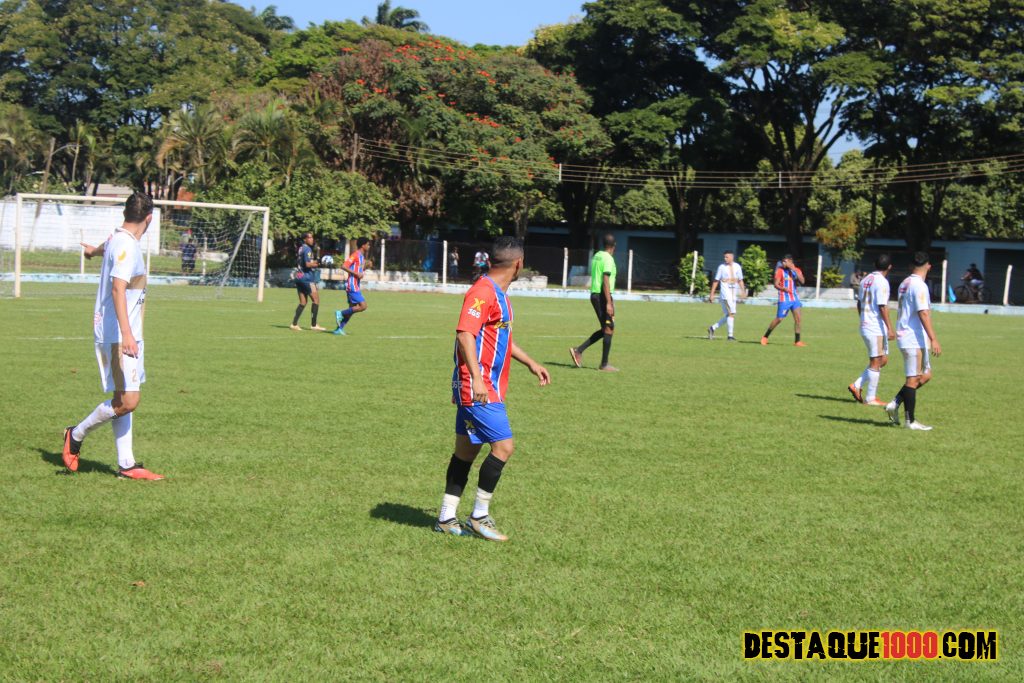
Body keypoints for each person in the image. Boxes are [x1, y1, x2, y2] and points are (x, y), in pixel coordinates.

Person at [435, 236, 551, 541]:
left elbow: (502, 339)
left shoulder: (500, 295)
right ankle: (479, 516)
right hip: (479, 387)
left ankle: (446, 517)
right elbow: (465, 334)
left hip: (483, 385)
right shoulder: (482, 292)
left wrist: (530, 362)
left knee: (466, 451)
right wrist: (476, 378)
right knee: (504, 447)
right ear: (519, 264)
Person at [61, 191, 164, 480]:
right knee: (129, 400)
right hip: (119, 334)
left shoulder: (118, 238)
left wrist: (92, 252)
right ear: (149, 219)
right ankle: (75, 434)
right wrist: (127, 334)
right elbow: (118, 288)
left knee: (123, 395)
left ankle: (126, 464)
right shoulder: (127, 246)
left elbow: (107, 246)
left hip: (125, 332)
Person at [886, 252, 943, 430]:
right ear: (928, 266)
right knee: (912, 378)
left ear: (911, 265)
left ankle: (895, 402)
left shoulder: (905, 282)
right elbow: (923, 313)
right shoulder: (919, 285)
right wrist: (934, 338)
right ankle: (910, 421)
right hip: (911, 336)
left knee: (925, 375)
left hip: (911, 335)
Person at [848, 254, 895, 406]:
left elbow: (859, 303)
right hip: (875, 327)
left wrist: (863, 319)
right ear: (889, 267)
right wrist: (890, 328)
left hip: (868, 325)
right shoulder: (882, 282)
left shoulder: (865, 280)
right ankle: (871, 398)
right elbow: (882, 306)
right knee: (875, 361)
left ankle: (856, 385)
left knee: (882, 360)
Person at [569, 234, 618, 371]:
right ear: (614, 246)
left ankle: (579, 351)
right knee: (609, 328)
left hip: (595, 294)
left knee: (606, 329)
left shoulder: (597, 256)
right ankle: (604, 364)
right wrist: (609, 302)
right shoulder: (608, 258)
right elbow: (605, 280)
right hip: (603, 296)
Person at [761, 254, 806, 346]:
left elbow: (802, 281)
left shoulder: (797, 270)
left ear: (790, 262)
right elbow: (776, 284)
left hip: (795, 298)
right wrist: (783, 288)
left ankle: (797, 341)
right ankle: (765, 337)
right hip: (784, 298)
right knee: (779, 319)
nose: (783, 263)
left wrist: (794, 270)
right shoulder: (780, 271)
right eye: (783, 262)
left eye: (785, 261)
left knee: (798, 319)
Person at [334, 237, 371, 335]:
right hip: (352, 285)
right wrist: (356, 274)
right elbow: (344, 266)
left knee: (352, 309)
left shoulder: (362, 257)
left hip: (356, 285)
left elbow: (359, 271)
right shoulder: (355, 255)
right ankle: (340, 313)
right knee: (363, 306)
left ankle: (339, 329)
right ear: (363, 245)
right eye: (368, 244)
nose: (369, 246)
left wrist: (364, 269)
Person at [707, 250, 746, 341]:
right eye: (724, 257)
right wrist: (712, 294)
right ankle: (730, 336)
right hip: (725, 295)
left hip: (733, 294)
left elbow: (740, 280)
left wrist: (743, 291)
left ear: (732, 257)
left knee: (730, 314)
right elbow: (716, 281)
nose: (725, 259)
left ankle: (712, 328)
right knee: (731, 313)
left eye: (727, 257)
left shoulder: (737, 266)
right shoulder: (721, 267)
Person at [291, 232, 325, 331]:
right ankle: (314, 325)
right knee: (316, 300)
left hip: (299, 277)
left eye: (312, 237)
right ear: (304, 239)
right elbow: (307, 264)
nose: (312, 239)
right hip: (307, 278)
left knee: (303, 302)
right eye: (309, 238)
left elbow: (306, 262)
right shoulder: (308, 249)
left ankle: (294, 324)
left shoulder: (301, 248)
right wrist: (318, 264)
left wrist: (317, 261)